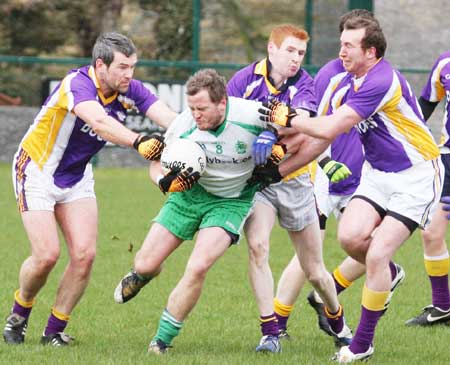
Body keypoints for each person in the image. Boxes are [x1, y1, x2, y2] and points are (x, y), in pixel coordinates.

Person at [259, 17, 443, 362]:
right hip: (377, 174)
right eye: (341, 42)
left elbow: (331, 124)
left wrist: (288, 118)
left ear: (370, 52)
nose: (340, 50)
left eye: (348, 45)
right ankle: (385, 276)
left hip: (416, 176)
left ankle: (361, 345)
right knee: (350, 238)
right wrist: (274, 171)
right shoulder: (341, 81)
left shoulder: (382, 80)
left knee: (374, 254)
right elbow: (320, 135)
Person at [3, 32, 176, 346]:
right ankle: (19, 314)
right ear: (101, 65)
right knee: (46, 256)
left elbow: (170, 120)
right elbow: (99, 122)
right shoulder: (77, 84)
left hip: (76, 176)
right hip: (36, 170)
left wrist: (200, 135)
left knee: (84, 255)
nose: (129, 74)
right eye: (123, 67)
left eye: (133, 67)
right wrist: (139, 141)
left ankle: (53, 332)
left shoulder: (131, 89)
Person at [113, 68, 278, 354]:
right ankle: (142, 274)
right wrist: (167, 183)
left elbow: (298, 124)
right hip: (187, 197)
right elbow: (158, 167)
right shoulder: (183, 126)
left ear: (222, 103)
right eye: (191, 107)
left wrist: (274, 137)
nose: (195, 114)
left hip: (231, 201)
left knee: (198, 266)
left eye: (201, 108)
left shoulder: (251, 114)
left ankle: (161, 341)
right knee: (146, 264)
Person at [227, 24, 352, 353]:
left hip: (295, 180)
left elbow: (305, 128)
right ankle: (270, 332)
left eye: (300, 53)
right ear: (271, 49)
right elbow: (230, 123)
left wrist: (274, 137)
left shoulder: (304, 84)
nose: (296, 59)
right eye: (290, 51)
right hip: (260, 182)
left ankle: (338, 320)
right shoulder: (243, 80)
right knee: (258, 247)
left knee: (314, 271)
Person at [403, 51, 450, 325]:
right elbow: (424, 108)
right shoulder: (445, 63)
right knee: (431, 233)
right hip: (446, 159)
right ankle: (443, 307)